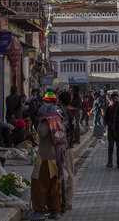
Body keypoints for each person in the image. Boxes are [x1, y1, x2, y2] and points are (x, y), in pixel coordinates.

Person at [31, 91, 67, 219]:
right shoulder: (59, 117)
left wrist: (39, 123)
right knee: (54, 185)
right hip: (57, 156)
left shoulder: (46, 120)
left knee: (39, 184)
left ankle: (39, 211)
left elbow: (42, 133)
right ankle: (55, 211)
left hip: (45, 157)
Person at [104, 92, 119, 167]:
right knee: (111, 147)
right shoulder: (109, 107)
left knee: (118, 147)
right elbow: (105, 118)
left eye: (116, 98)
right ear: (111, 99)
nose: (115, 100)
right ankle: (110, 162)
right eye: (114, 99)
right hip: (111, 130)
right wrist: (108, 125)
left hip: (118, 130)